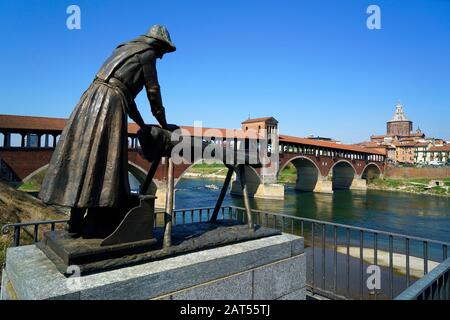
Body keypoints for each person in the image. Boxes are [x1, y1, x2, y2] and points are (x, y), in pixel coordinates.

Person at [39, 25, 177, 236]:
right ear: (158, 44)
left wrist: (142, 125)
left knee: (85, 158)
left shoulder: (124, 49)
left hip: (90, 99)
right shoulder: (147, 54)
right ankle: (98, 222)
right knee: (103, 161)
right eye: (162, 52)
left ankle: (75, 223)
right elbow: (153, 92)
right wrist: (164, 123)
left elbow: (126, 96)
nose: (161, 57)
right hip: (109, 105)